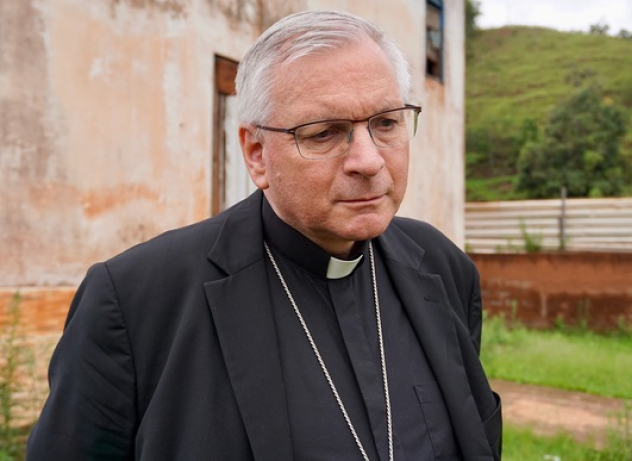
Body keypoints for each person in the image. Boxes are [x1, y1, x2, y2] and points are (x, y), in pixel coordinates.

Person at [27, 10, 501, 461]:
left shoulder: (442, 267)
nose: (369, 160)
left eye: (386, 123)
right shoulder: (136, 301)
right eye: (323, 133)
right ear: (256, 153)